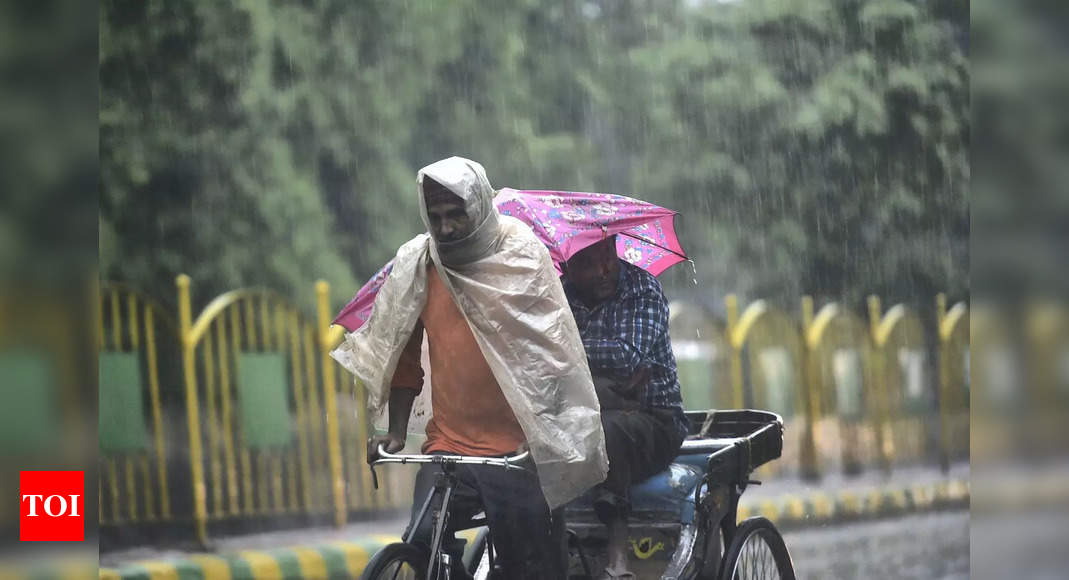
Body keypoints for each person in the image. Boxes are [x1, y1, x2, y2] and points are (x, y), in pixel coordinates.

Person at [332, 157, 607, 580]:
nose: (444, 228)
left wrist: (544, 436)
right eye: (436, 217)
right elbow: (404, 358)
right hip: (449, 448)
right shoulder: (419, 265)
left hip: (516, 453)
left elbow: (553, 357)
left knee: (526, 567)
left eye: (455, 215)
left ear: (478, 206)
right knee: (423, 539)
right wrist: (397, 433)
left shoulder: (520, 255)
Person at [562, 235, 688, 580]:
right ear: (567, 266)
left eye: (608, 257)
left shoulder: (642, 290)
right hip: (582, 414)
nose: (603, 271)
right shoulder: (558, 295)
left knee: (605, 428)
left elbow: (624, 356)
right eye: (588, 263)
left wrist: (566, 351)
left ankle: (618, 558)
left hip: (655, 422)